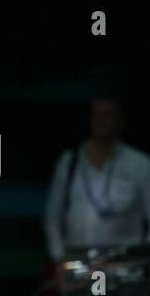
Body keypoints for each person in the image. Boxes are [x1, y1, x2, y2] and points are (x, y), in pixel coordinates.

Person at [44, 96, 150, 262]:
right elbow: (53, 217)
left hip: (125, 262)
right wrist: (59, 257)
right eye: (96, 114)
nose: (101, 120)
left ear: (120, 120)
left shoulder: (140, 164)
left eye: (108, 114)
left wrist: (143, 260)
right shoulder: (69, 162)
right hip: (77, 261)